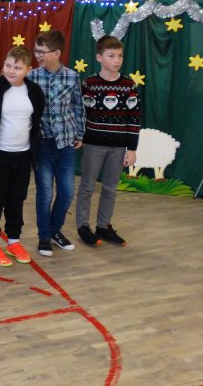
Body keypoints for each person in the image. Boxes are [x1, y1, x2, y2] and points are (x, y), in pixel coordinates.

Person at [0, 46, 45, 267]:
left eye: (18, 68)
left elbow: (36, 117)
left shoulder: (34, 91)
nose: (12, 71)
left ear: (28, 70)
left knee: (17, 199)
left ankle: (14, 241)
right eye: (8, 66)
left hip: (23, 155)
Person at [76, 35, 140, 247]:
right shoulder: (89, 84)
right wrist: (81, 137)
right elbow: (81, 113)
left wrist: (131, 148)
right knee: (87, 186)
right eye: (111, 55)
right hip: (93, 144)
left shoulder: (128, 85)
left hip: (118, 146)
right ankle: (83, 226)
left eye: (120, 55)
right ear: (99, 57)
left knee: (110, 188)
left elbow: (134, 118)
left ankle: (103, 226)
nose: (117, 60)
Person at [28, 30, 85, 257]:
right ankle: (44, 237)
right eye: (36, 51)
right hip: (42, 143)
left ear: (57, 53)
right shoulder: (32, 77)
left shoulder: (72, 77)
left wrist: (79, 133)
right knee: (44, 192)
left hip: (65, 142)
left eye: (42, 52)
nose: (38, 55)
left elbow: (78, 106)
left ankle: (55, 231)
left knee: (67, 191)